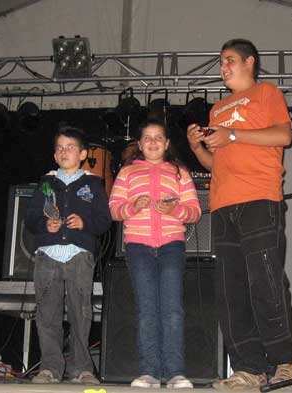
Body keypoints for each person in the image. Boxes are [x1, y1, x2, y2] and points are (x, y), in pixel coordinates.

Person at [186, 38, 292, 389]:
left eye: (230, 60)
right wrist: (197, 147)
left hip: (259, 200)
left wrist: (233, 133)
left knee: (265, 282)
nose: (223, 67)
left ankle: (286, 362)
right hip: (223, 206)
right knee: (230, 290)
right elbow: (214, 163)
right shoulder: (216, 109)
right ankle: (249, 368)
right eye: (221, 62)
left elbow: (284, 136)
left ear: (250, 62)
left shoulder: (267, 93)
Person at [109, 120, 201, 389]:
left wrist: (174, 211)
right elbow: (113, 209)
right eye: (147, 138)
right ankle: (149, 372)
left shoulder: (179, 172)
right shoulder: (127, 173)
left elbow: (194, 211)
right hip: (138, 247)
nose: (152, 142)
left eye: (158, 137)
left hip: (172, 245)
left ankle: (175, 373)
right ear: (139, 144)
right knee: (147, 309)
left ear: (167, 143)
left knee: (172, 310)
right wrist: (131, 207)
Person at [25, 126, 112, 385]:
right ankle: (50, 367)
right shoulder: (45, 183)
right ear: (54, 155)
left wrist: (85, 224)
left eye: (71, 147)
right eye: (60, 147)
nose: (64, 151)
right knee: (47, 313)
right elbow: (30, 218)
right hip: (48, 256)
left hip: (79, 257)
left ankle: (82, 368)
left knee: (81, 313)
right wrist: (44, 225)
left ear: (83, 154)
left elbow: (105, 220)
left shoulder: (93, 184)